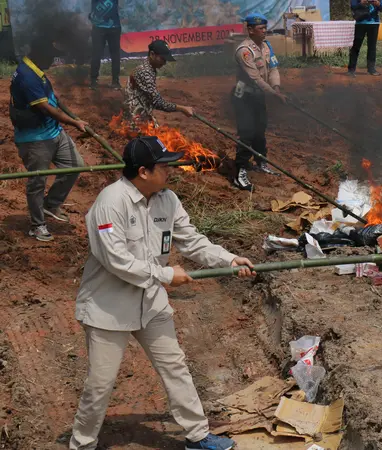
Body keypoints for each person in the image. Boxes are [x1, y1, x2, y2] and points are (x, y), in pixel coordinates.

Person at [68, 136, 256, 450]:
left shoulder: (167, 200)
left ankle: (197, 437)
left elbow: (192, 241)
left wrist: (230, 259)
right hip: (108, 308)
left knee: (175, 366)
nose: (170, 171)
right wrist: (167, 274)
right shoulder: (110, 203)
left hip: (151, 303)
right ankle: (82, 444)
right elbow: (116, 261)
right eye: (163, 166)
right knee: (100, 385)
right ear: (143, 171)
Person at [10, 37, 89, 242]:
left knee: (75, 165)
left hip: (53, 132)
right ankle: (37, 225)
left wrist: (67, 113)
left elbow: (51, 99)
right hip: (35, 139)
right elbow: (44, 108)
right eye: (51, 57)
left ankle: (51, 204)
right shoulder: (27, 76)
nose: (53, 61)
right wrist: (75, 122)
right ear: (39, 55)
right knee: (37, 182)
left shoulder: (34, 68)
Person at [232, 13, 287, 191]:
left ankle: (260, 162)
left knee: (260, 129)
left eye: (265, 27)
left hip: (258, 96)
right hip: (244, 97)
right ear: (250, 29)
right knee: (246, 132)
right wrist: (273, 94)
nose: (265, 31)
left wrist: (276, 88)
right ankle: (239, 171)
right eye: (261, 28)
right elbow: (255, 78)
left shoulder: (266, 46)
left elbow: (273, 69)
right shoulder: (244, 51)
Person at [123, 39, 194, 125]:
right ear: (152, 54)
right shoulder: (145, 73)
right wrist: (182, 108)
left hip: (141, 111)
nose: (164, 63)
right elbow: (158, 102)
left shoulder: (149, 69)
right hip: (134, 117)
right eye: (162, 59)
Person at [89, 0, 122, 90]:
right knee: (96, 54)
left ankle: (115, 81)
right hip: (98, 27)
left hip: (114, 27)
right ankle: (93, 80)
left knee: (115, 55)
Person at [348, 0, 382, 77]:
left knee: (372, 47)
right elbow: (353, 7)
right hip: (360, 23)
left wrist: (378, 4)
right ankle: (351, 69)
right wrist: (361, 3)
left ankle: (371, 69)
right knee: (356, 46)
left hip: (374, 23)